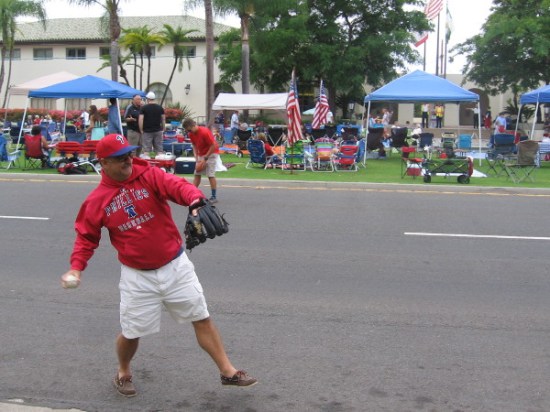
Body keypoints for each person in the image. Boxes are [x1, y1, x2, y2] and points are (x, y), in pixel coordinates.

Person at [60, 134, 257, 398]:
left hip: (175, 266)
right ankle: (123, 371)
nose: (128, 160)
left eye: (129, 154)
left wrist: (195, 199)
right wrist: (76, 268)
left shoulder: (149, 176)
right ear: (103, 163)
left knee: (201, 317)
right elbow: (86, 237)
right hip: (137, 276)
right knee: (131, 333)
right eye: (120, 159)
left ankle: (228, 372)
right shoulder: (97, 201)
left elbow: (177, 186)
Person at [182, 118, 220, 203]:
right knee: (197, 173)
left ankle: (214, 196)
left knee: (210, 174)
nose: (189, 132)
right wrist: (196, 157)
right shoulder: (191, 134)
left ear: (193, 125)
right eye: (188, 131)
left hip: (212, 152)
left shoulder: (204, 132)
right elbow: (194, 145)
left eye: (190, 130)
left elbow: (213, 146)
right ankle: (192, 193)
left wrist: (206, 158)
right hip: (202, 153)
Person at [139, 92, 165, 157]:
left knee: (147, 150)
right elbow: (163, 119)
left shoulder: (144, 108)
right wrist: (163, 128)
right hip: (158, 131)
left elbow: (141, 119)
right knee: (159, 149)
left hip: (147, 131)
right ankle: (160, 164)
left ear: (148, 99)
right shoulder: (160, 108)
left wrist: (141, 129)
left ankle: (147, 165)